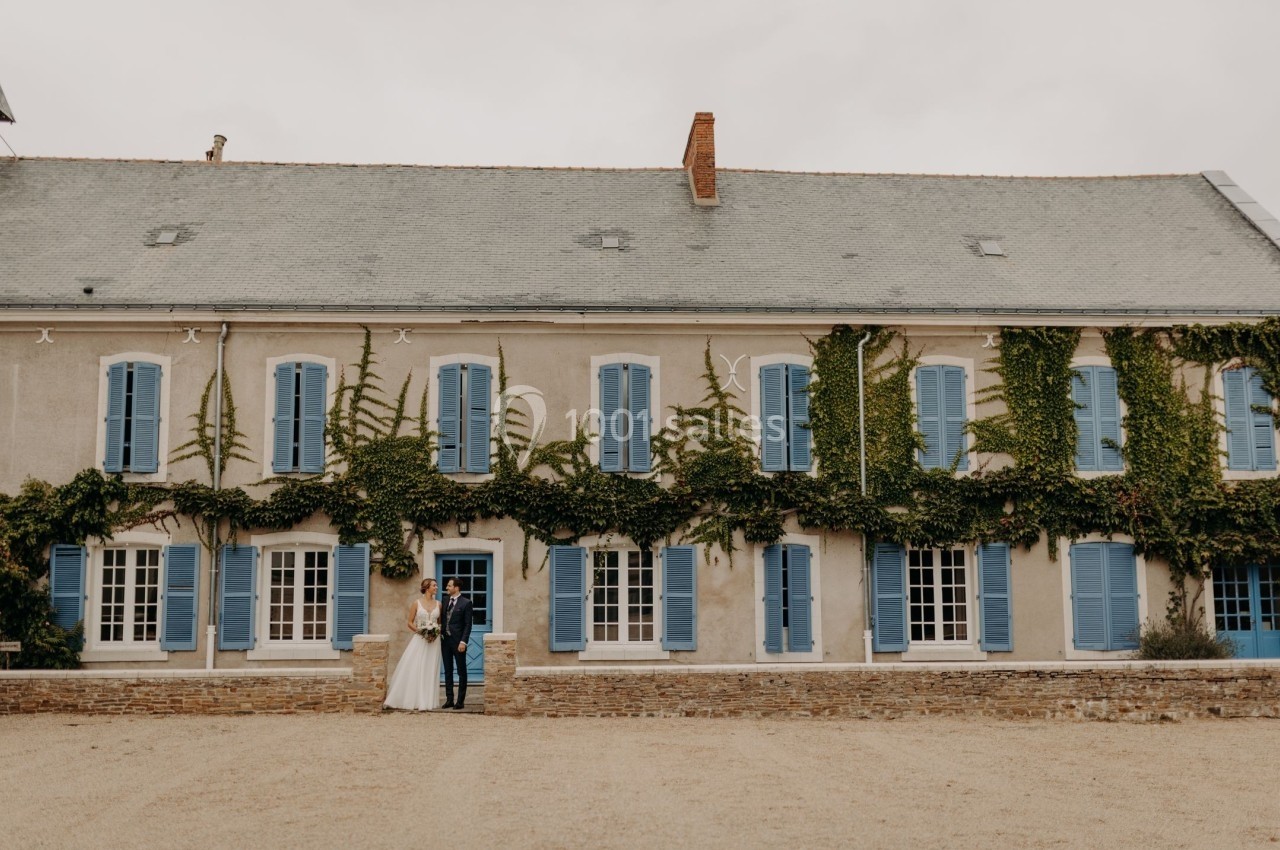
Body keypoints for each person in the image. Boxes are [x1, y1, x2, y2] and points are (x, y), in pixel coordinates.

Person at [383, 578, 443, 711]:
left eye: (436, 585)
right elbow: (409, 622)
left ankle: (427, 700)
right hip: (420, 639)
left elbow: (439, 623)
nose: (436, 587)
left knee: (429, 668)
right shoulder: (416, 603)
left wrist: (435, 632)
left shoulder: (439, 604)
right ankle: (411, 698)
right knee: (416, 666)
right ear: (427, 587)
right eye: (434, 585)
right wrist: (422, 632)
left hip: (434, 642)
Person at [440, 578, 473, 710]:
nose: (447, 588)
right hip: (445, 641)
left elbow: (468, 624)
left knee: (461, 671)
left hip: (458, 642)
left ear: (457, 587)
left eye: (449, 586)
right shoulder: (445, 600)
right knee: (448, 670)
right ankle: (449, 699)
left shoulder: (466, 603)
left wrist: (463, 641)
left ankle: (460, 701)